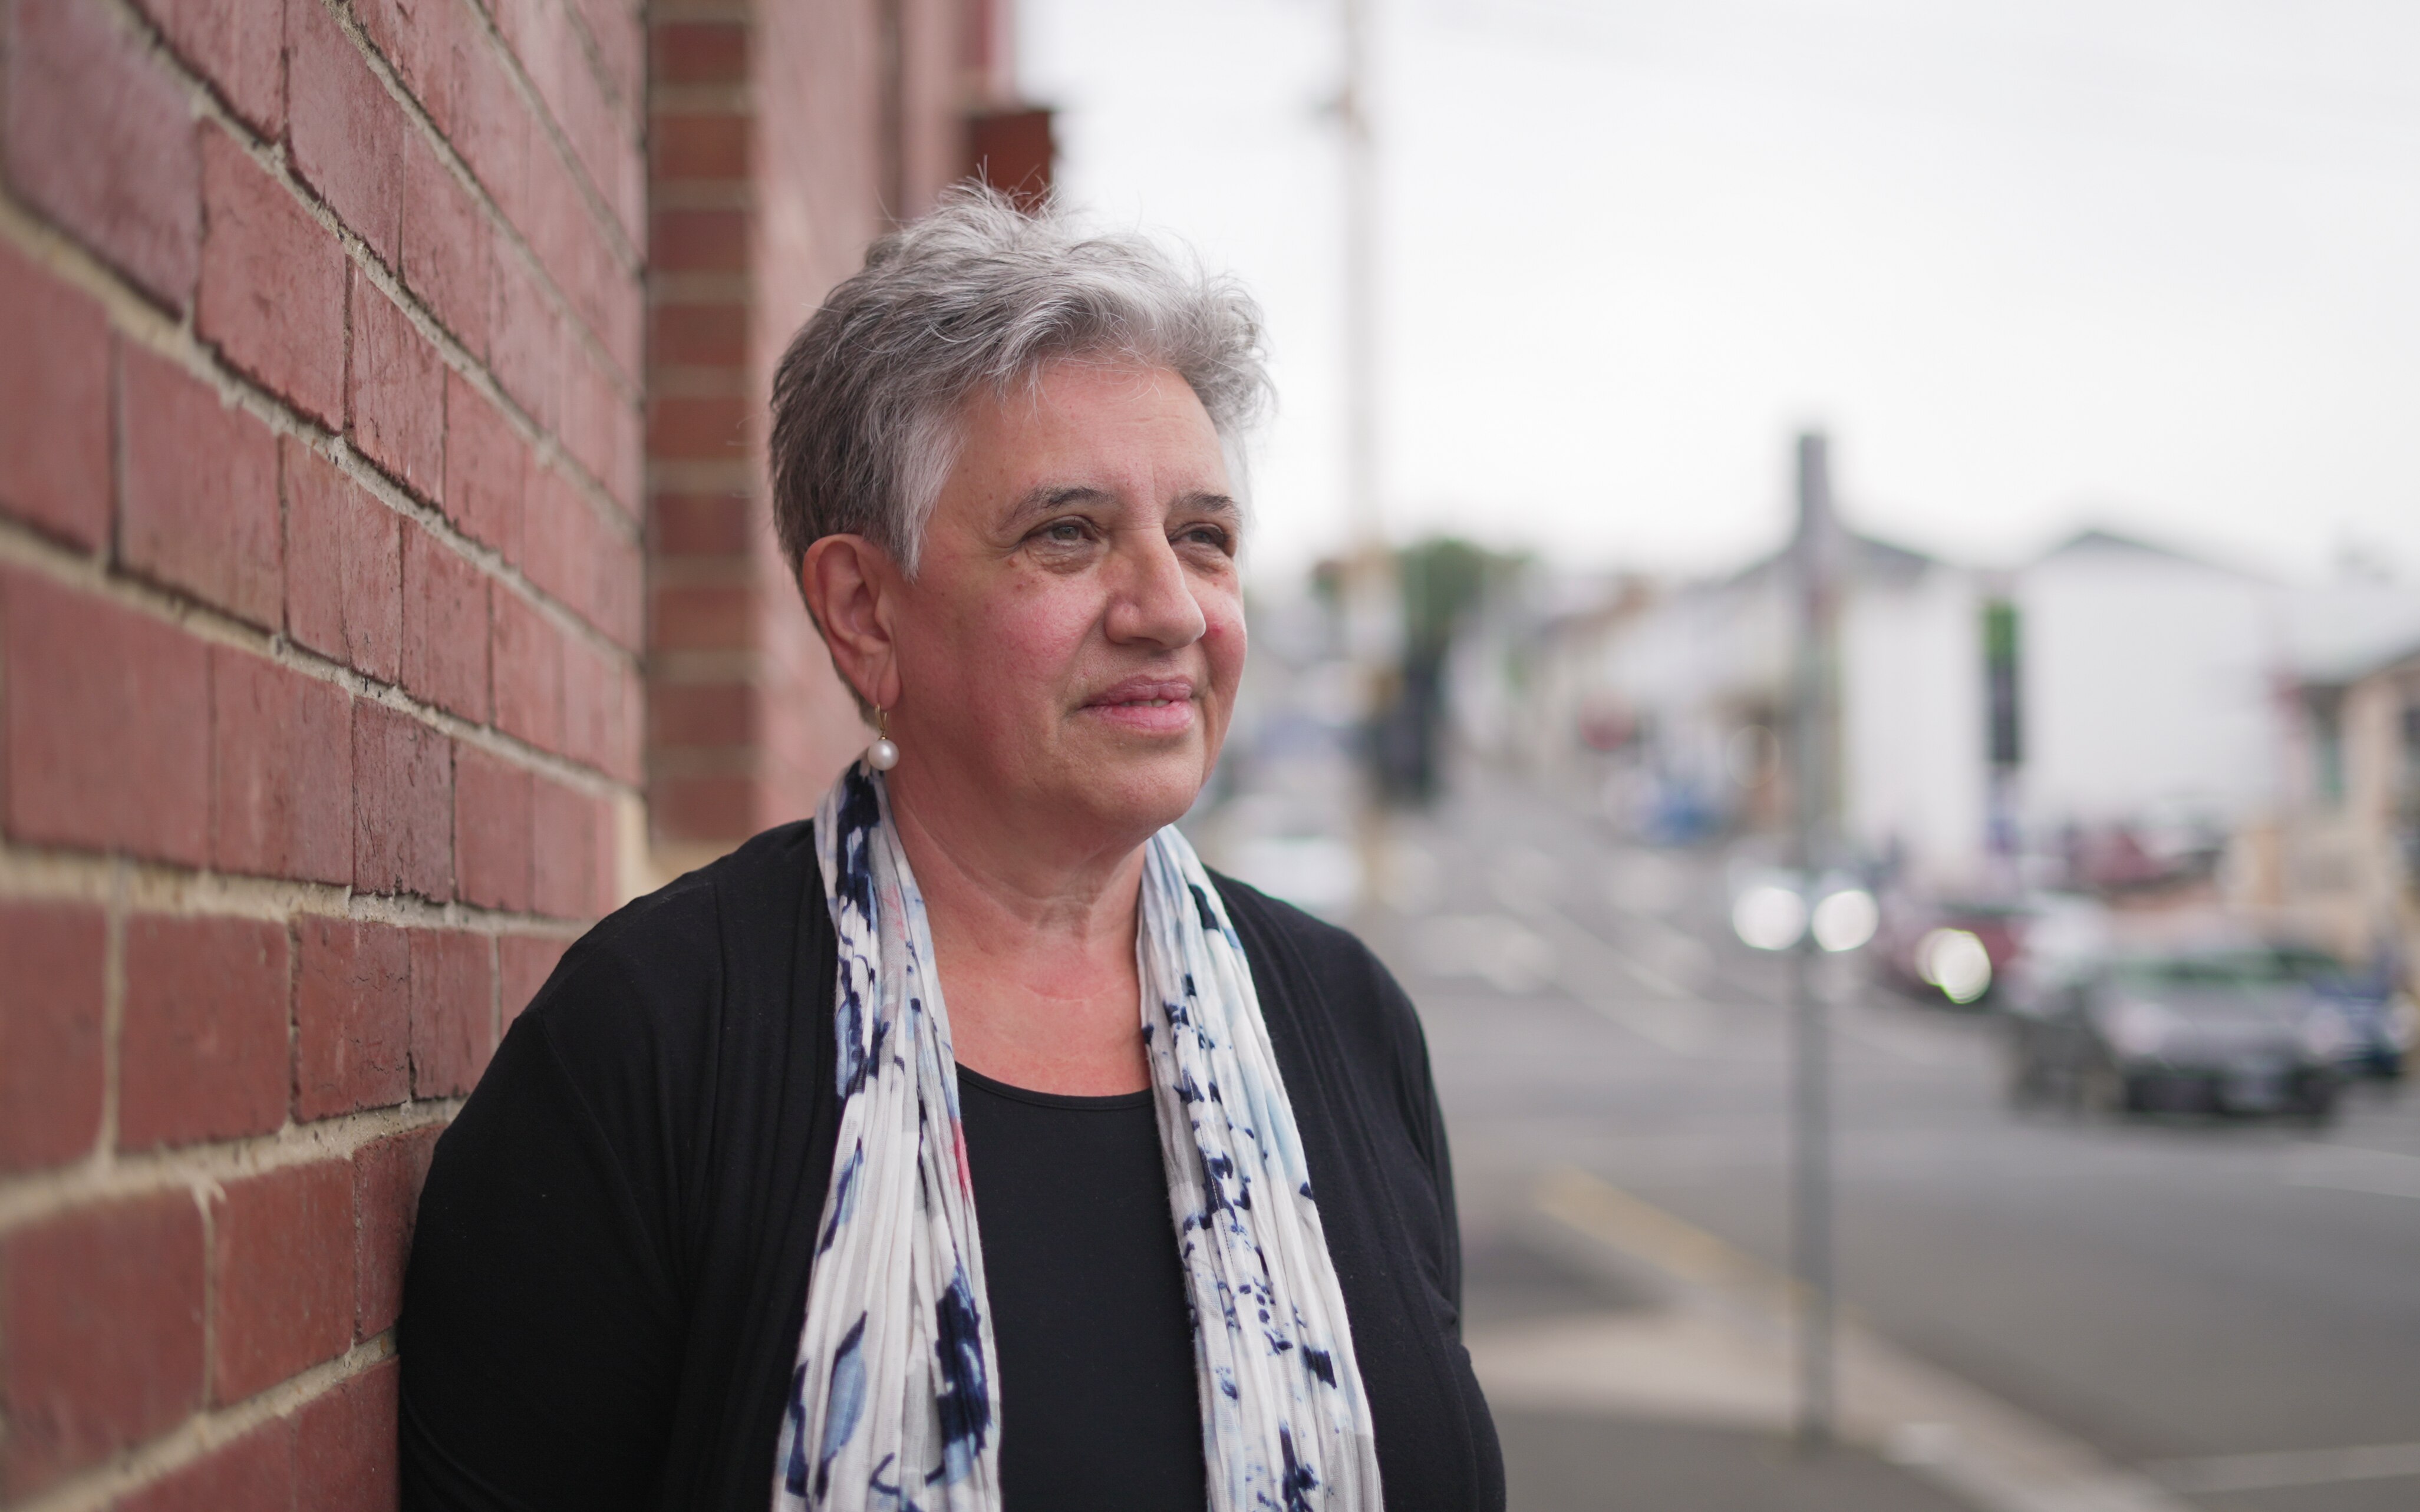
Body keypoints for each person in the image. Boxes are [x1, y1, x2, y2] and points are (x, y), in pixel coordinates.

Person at [398, 189, 1502, 1512]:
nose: (1169, 609)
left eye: (1202, 536)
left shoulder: (1339, 1019)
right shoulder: (658, 1039)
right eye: (1069, 533)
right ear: (863, 611)